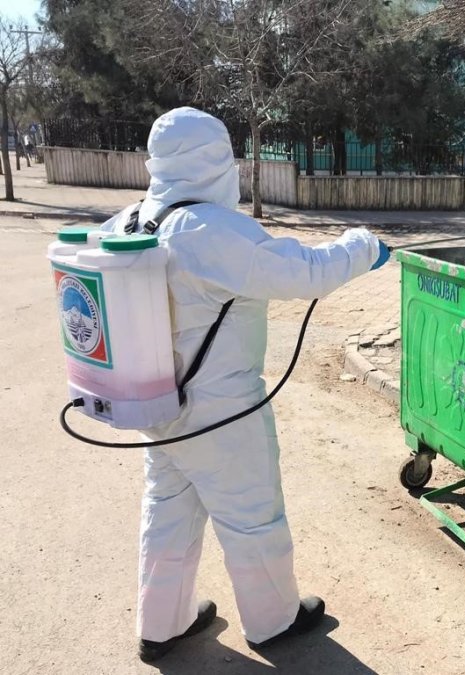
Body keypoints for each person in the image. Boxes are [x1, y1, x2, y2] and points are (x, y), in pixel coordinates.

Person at [99, 107, 390, 662]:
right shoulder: (206, 228)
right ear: (216, 161)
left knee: (168, 510)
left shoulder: (128, 223)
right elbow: (302, 270)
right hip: (221, 410)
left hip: (156, 403)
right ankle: (274, 621)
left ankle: (163, 624)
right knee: (252, 516)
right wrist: (364, 246)